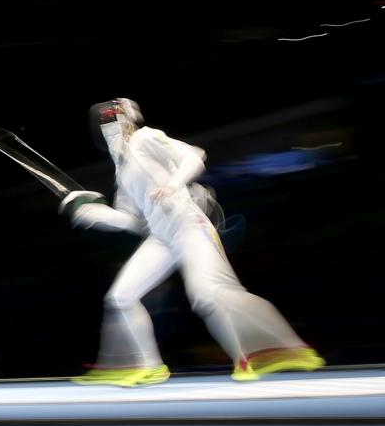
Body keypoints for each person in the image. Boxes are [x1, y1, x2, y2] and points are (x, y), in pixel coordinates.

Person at [62, 98, 324, 386]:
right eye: (103, 123)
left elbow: (193, 156)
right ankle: (147, 366)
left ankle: (274, 351)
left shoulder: (145, 138)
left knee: (209, 294)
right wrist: (89, 211)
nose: (108, 127)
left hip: (189, 224)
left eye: (111, 119)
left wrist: (173, 184)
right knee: (120, 298)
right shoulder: (122, 170)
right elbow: (130, 220)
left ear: (126, 119)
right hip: (161, 237)